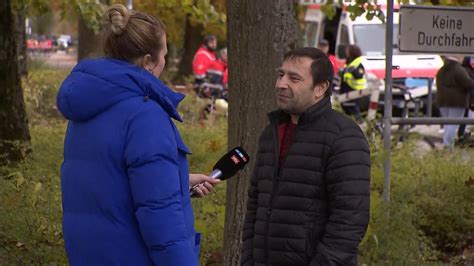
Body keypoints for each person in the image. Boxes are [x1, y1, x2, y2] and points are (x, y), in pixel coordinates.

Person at [56, 4, 219, 265]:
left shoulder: (89, 106)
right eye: (164, 55)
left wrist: (177, 182)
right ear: (147, 62)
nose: (165, 62)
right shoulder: (145, 115)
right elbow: (161, 219)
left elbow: (108, 180)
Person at [241, 47, 370, 266]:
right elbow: (256, 205)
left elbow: (349, 221)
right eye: (281, 75)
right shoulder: (271, 133)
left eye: (294, 78)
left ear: (320, 88)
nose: (281, 84)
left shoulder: (344, 137)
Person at [436, 55, 474, 148]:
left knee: (448, 124)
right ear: (459, 57)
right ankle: (448, 146)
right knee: (453, 124)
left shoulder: (441, 70)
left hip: (442, 101)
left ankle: (447, 144)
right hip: (457, 102)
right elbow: (468, 84)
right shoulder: (458, 69)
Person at [339, 44, 367, 122]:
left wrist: (351, 70)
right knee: (347, 113)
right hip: (347, 91)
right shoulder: (349, 62)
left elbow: (358, 75)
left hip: (354, 91)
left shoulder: (357, 63)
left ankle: (362, 127)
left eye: (347, 50)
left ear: (352, 52)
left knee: (355, 112)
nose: (346, 52)